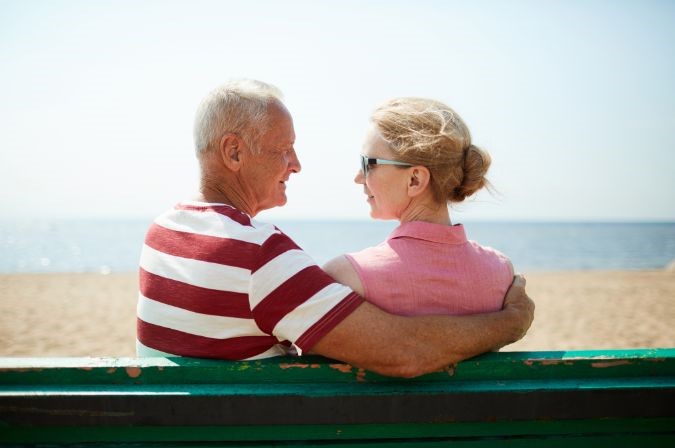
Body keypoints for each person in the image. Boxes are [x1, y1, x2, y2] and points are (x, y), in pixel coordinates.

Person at [136, 79, 534, 378]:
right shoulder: (261, 257)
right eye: (284, 149)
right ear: (234, 152)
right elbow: (403, 352)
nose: (296, 164)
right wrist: (512, 322)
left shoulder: (161, 232)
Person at [323, 98, 512, 317]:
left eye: (368, 164)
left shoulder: (346, 276)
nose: (358, 177)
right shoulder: (500, 272)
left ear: (415, 180)